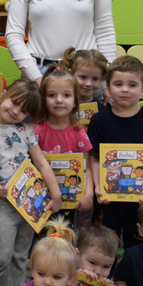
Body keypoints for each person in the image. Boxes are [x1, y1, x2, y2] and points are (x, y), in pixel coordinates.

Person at [0, 79, 63, 286]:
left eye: (24, 110)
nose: (16, 111)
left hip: (31, 202)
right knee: (1, 254)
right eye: (14, 102)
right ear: (4, 95)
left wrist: (55, 194)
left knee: (20, 254)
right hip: (4, 201)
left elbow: (42, 163)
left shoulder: (26, 130)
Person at [86, 55, 143, 249]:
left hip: (140, 199)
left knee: (138, 244)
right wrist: (99, 185)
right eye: (118, 84)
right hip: (107, 199)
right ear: (108, 88)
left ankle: (133, 277)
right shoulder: (99, 120)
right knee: (104, 245)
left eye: (132, 85)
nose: (125, 89)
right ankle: (104, 278)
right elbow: (93, 156)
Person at [34, 67, 94, 226]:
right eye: (52, 95)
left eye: (66, 95)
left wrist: (89, 193)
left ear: (75, 101)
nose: (59, 100)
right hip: (41, 198)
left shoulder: (79, 132)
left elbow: (86, 166)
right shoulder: (37, 130)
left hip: (71, 199)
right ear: (43, 99)